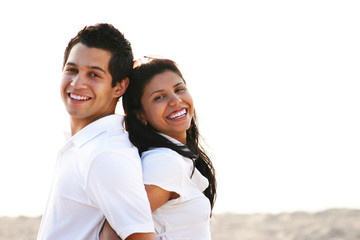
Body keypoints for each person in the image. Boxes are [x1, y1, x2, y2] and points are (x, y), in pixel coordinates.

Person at [37, 24, 154, 240]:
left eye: (94, 74)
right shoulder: (87, 146)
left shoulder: (105, 154)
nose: (77, 83)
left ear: (119, 87)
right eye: (72, 70)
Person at [101, 57, 217, 239]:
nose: (175, 101)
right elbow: (112, 232)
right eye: (159, 97)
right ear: (140, 115)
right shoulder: (165, 163)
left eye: (179, 89)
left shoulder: (176, 159)